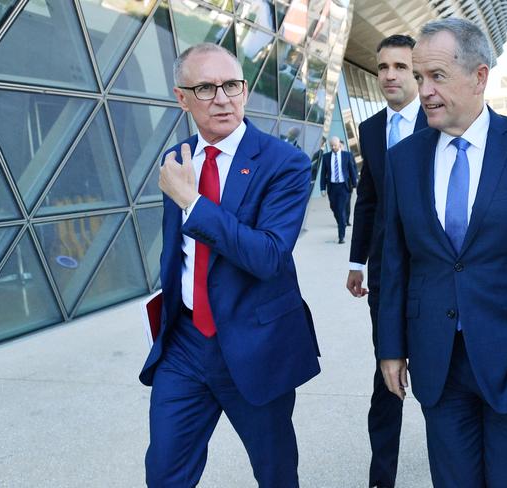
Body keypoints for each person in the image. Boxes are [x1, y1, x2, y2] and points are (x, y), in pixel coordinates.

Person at [378, 18, 507, 487]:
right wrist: (390, 347)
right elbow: (395, 261)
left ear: (480, 76)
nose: (423, 90)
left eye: (436, 76)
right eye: (419, 76)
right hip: (437, 358)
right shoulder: (404, 159)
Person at [138, 43, 320, 488]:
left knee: (275, 473)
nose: (222, 98)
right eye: (205, 88)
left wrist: (192, 203)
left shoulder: (285, 163)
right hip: (184, 346)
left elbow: (268, 255)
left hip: (256, 344)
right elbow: (176, 253)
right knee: (163, 473)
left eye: (232, 85)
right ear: (182, 98)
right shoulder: (176, 161)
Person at [345, 33, 426, 488]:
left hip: (432, 274)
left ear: (415, 71)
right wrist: (358, 263)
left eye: (399, 66)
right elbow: (368, 199)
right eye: (382, 67)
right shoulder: (372, 129)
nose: (389, 75)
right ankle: (382, 477)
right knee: (386, 374)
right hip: (385, 276)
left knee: (438, 378)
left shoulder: (437, 122)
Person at [320, 135, 357, 243]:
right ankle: (341, 222)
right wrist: (322, 188)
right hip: (332, 187)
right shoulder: (326, 157)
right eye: (331, 146)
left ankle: (341, 236)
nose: (333, 147)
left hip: (343, 187)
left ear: (339, 145)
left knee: (341, 210)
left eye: (334, 145)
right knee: (334, 208)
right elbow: (323, 174)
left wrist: (355, 185)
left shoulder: (347, 155)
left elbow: (352, 171)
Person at [341, 140, 357, 226]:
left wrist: (355, 181)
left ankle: (346, 220)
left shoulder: (349, 155)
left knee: (347, 203)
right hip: (338, 184)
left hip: (348, 184)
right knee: (340, 204)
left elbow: (354, 167)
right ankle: (341, 219)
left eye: (341, 146)